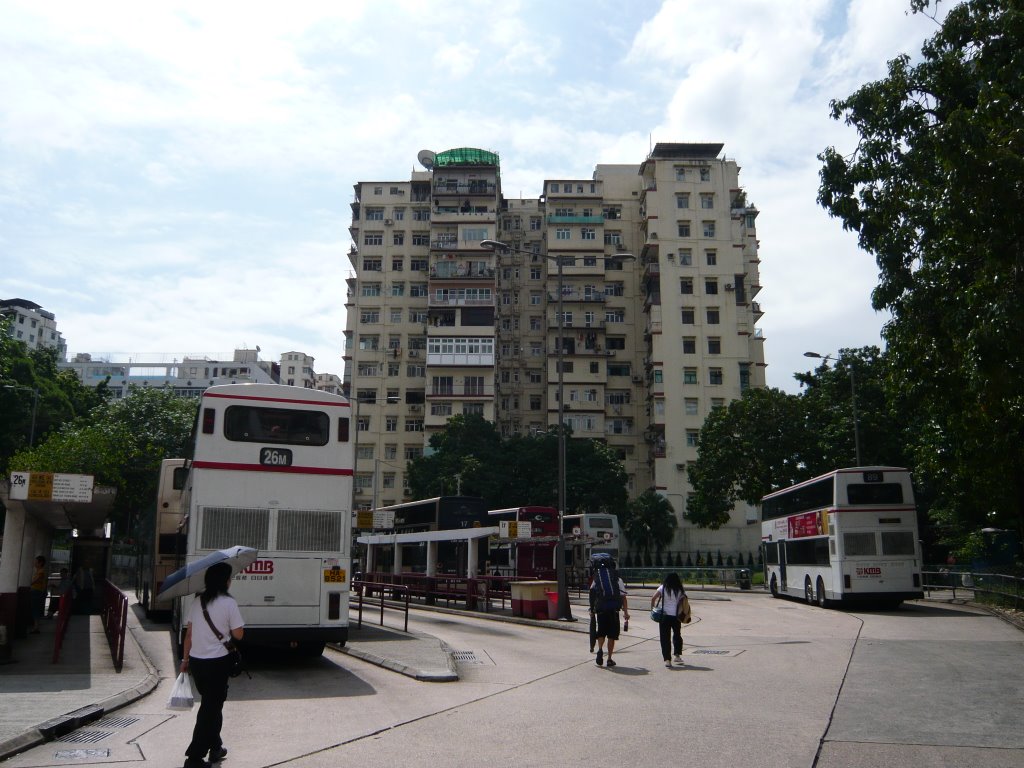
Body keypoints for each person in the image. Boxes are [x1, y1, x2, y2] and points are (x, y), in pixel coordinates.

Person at [180, 562, 245, 768]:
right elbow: (239, 634)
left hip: (197, 663)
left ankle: (216, 748)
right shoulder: (229, 603)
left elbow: (189, 634)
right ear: (225, 581)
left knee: (211, 706)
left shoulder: (198, 602)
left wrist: (185, 660)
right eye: (229, 578)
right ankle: (195, 758)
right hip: (218, 664)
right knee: (210, 709)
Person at [589, 560, 629, 668]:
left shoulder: (597, 578)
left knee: (601, 632)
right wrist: (625, 612)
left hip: (601, 610)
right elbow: (623, 597)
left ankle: (600, 650)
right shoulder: (617, 579)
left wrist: (591, 609)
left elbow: (592, 594)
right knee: (612, 635)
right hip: (614, 611)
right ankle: (609, 659)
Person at [652, 572, 687, 668]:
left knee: (664, 638)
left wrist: (653, 608)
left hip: (664, 616)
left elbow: (653, 598)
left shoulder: (663, 587)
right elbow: (684, 601)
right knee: (677, 635)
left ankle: (667, 660)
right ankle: (677, 655)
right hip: (676, 616)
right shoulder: (680, 589)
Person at [29, 555, 47, 633]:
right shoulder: (38, 571)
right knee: (35, 609)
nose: (35, 563)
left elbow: (37, 579)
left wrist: (30, 583)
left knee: (35, 609)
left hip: (36, 591)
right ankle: (36, 627)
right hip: (35, 591)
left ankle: (36, 627)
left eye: (36, 562)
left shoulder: (41, 572)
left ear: (40, 563)